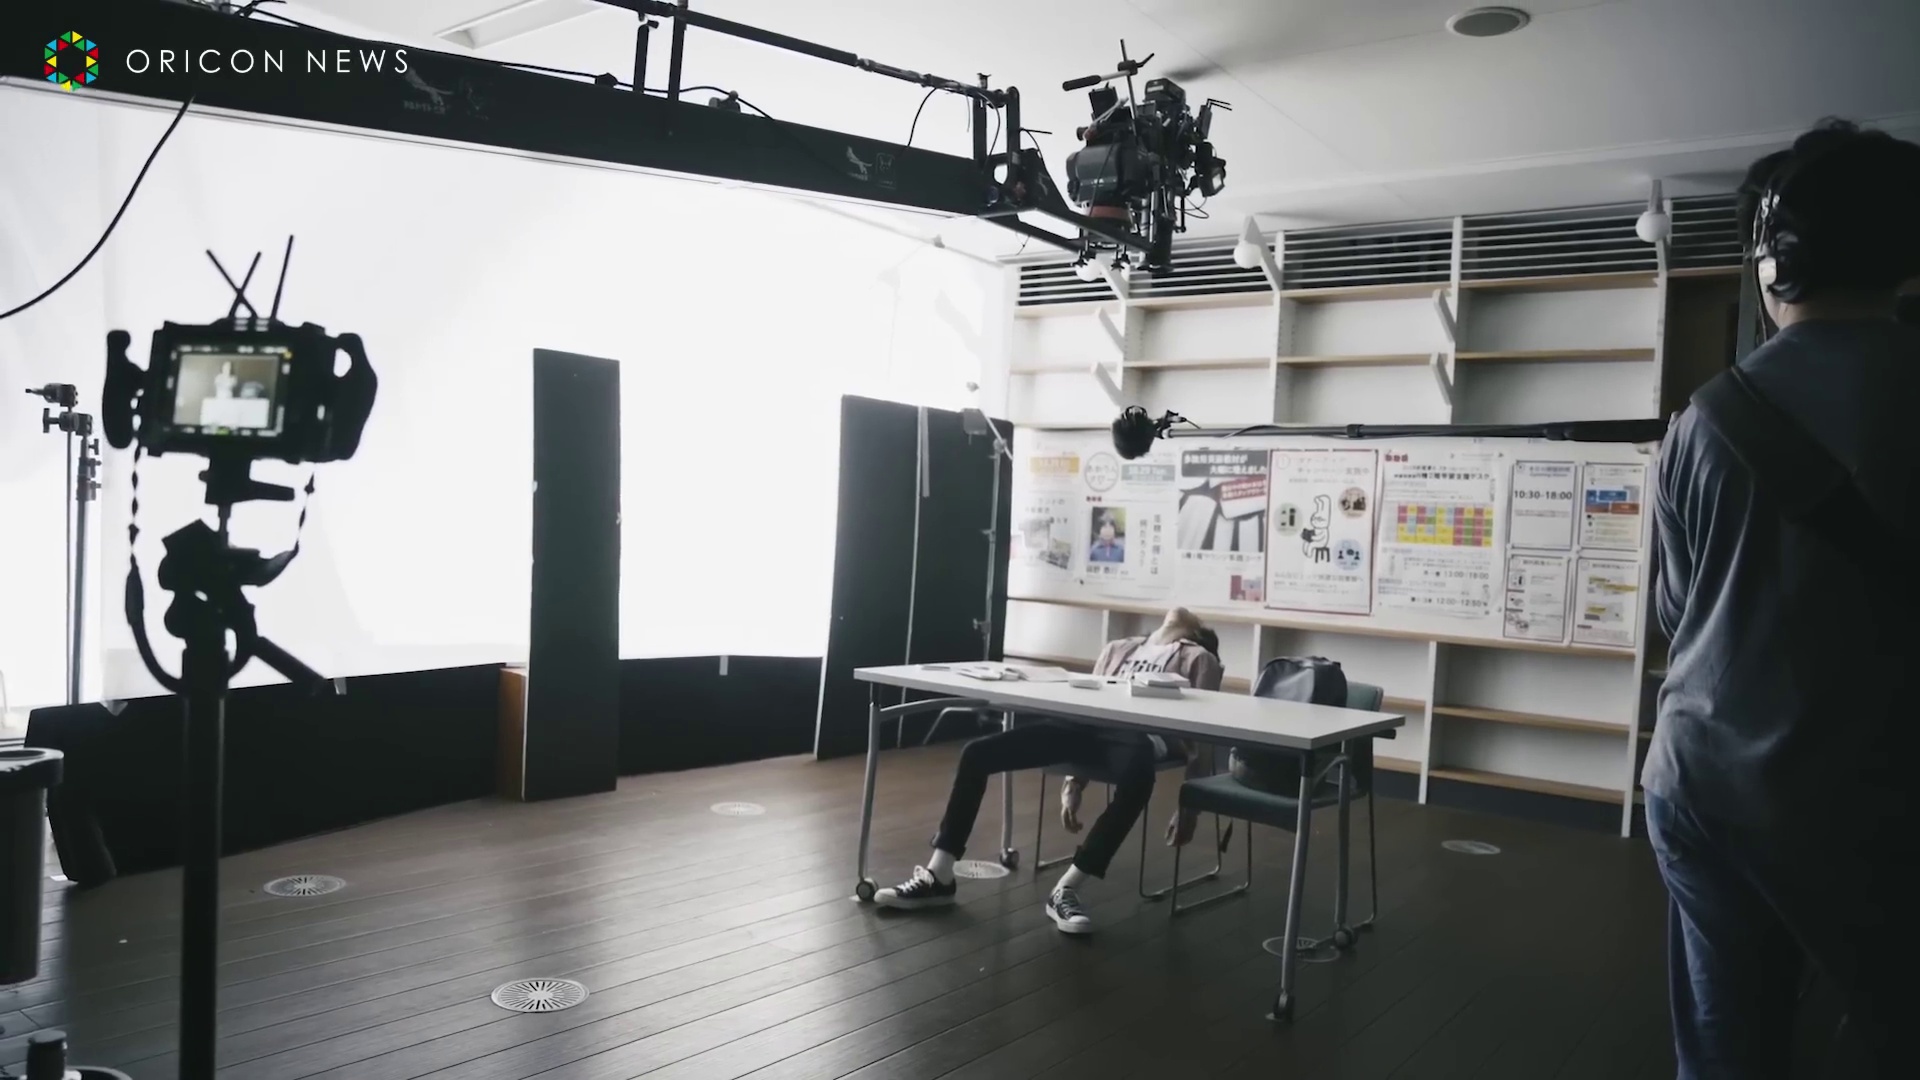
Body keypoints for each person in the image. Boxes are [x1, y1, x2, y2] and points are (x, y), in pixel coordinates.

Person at [1645, 118, 1920, 1079]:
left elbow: (1678, 614)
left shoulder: (1702, 420)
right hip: (1874, 796)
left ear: (1774, 261)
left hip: (1703, 785)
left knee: (1728, 1043)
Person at [874, 608, 1222, 933]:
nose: (1178, 608)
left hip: (1137, 736)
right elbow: (1087, 703)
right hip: (1080, 726)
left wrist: (1190, 805)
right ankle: (939, 874)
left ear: (1195, 632)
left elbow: (1203, 731)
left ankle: (1067, 888)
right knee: (976, 753)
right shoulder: (1120, 647)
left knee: (1139, 777)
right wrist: (1074, 783)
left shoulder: (1198, 657)